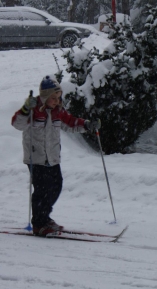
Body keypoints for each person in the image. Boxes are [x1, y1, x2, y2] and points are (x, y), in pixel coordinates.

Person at [11, 75, 101, 236]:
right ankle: (39, 224)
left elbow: (70, 123)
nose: (56, 101)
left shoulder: (58, 111)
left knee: (56, 186)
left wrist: (86, 125)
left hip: (52, 157)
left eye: (58, 98)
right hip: (36, 158)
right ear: (44, 96)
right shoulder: (32, 109)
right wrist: (25, 108)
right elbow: (17, 124)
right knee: (42, 190)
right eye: (53, 98)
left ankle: (44, 217)